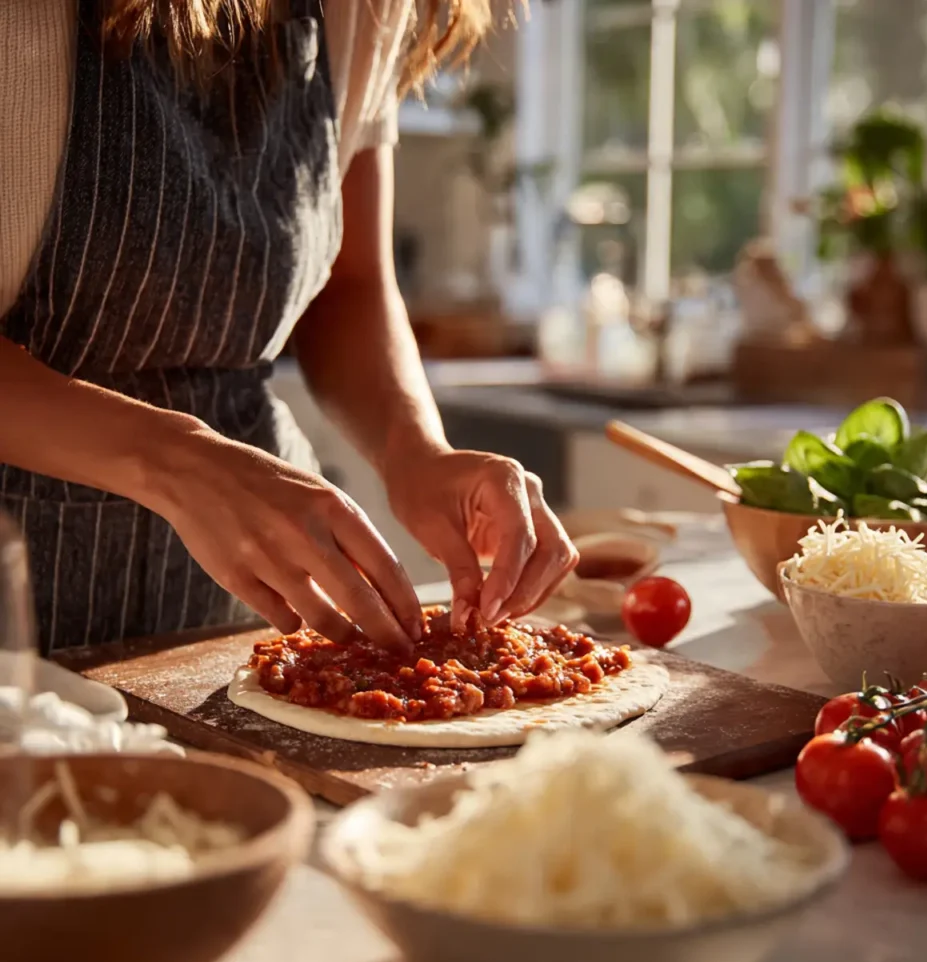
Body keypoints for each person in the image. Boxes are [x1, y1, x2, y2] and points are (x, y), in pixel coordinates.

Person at [0, 0, 577, 655]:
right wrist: (178, 459)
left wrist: (415, 449)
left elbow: (352, 284)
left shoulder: (365, 11)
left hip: (246, 607)